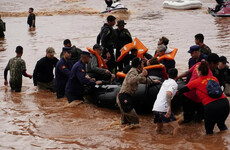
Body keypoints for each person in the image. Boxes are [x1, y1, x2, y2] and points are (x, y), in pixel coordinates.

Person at [178, 61, 229, 134]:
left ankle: (209, 145)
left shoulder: (195, 82)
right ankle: (224, 143)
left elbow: (182, 90)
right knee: (222, 126)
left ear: (199, 72)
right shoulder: (214, 78)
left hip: (211, 107)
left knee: (209, 132)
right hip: (225, 104)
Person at [176, 53, 220, 123]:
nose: (217, 66)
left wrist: (178, 77)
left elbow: (188, 72)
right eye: (216, 64)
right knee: (195, 120)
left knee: (189, 120)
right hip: (192, 98)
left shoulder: (198, 64)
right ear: (212, 63)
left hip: (187, 95)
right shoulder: (209, 74)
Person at [116, 57, 160, 126]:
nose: (143, 65)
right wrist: (142, 74)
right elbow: (131, 81)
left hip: (125, 97)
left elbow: (143, 80)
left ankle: (125, 135)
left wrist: (153, 82)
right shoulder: (133, 71)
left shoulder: (136, 72)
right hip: (124, 97)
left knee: (125, 122)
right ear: (138, 65)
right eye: (142, 64)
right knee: (135, 120)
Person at [152, 68, 179, 135]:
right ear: (177, 76)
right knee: (177, 127)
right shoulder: (174, 84)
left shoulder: (165, 82)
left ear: (167, 75)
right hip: (163, 108)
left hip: (156, 108)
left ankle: (155, 140)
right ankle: (174, 143)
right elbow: (168, 94)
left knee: (159, 127)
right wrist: (169, 109)